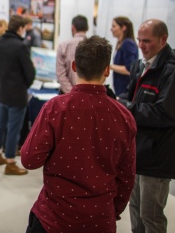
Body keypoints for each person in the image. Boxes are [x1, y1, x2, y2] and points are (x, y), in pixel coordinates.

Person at [21, 36, 137, 233]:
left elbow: (29, 159)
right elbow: (127, 178)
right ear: (107, 70)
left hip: (54, 217)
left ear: (74, 66)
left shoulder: (55, 108)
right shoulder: (124, 117)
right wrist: (111, 211)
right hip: (100, 219)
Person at [118, 19, 175, 233]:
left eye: (147, 41)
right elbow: (130, 96)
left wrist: (127, 107)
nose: (141, 45)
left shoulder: (173, 72)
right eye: (139, 40)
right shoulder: (143, 66)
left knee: (150, 216)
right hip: (138, 152)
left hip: (158, 156)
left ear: (163, 40)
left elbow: (167, 114)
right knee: (135, 209)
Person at [0, 15, 35, 175]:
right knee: (13, 128)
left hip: (2, 91)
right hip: (17, 94)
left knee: (0, 123)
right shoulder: (21, 46)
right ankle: (10, 162)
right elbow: (30, 72)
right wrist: (25, 85)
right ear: (20, 28)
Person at [56, 15, 88, 94]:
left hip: (67, 96)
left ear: (72, 28)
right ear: (87, 28)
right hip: (88, 95)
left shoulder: (63, 46)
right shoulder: (95, 46)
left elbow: (61, 74)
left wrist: (72, 93)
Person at [109, 16, 138, 95]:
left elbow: (129, 69)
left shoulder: (128, 43)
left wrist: (108, 66)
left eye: (114, 26)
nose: (111, 29)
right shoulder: (121, 43)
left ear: (123, 28)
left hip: (125, 90)